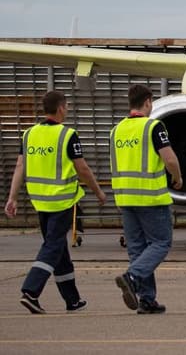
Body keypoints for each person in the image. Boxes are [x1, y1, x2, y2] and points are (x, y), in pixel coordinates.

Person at [4, 91, 106, 314]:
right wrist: (98, 192)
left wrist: (12, 197)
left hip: (39, 202)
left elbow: (20, 167)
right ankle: (31, 290)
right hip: (62, 201)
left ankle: (72, 299)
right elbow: (82, 169)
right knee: (52, 247)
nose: (67, 110)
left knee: (58, 248)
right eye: (66, 106)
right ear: (61, 108)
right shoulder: (68, 134)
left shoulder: (29, 134)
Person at [112, 84, 184, 314]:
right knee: (161, 243)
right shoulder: (153, 126)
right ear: (148, 102)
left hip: (125, 197)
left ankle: (146, 299)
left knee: (137, 249)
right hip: (151, 197)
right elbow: (169, 159)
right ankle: (132, 277)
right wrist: (177, 177)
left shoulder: (117, 130)